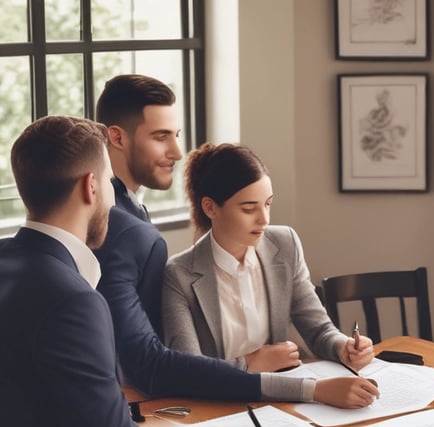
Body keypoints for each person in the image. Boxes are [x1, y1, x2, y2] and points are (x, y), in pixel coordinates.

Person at [0, 115, 287, 427]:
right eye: (111, 185)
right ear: (92, 187)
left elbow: (90, 424)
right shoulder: (73, 301)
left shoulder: (8, 264)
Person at [93, 74, 379, 407]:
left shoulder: (131, 212)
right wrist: (254, 367)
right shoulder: (129, 232)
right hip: (184, 406)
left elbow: (317, 327)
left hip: (273, 406)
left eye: (176, 136)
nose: (176, 151)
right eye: (161, 137)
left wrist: (342, 345)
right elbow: (151, 363)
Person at [162, 142, 375, 374]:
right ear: (210, 208)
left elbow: (319, 330)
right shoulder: (178, 274)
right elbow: (187, 369)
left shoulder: (285, 245)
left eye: (268, 204)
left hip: (282, 396)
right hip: (217, 404)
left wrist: (343, 346)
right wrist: (250, 364)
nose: (264, 219)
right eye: (248, 208)